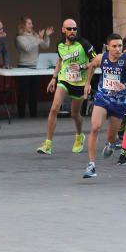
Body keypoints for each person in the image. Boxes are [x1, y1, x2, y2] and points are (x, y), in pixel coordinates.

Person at [80, 34, 126, 179]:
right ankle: (91, 165)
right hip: (102, 98)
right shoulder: (101, 57)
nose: (118, 49)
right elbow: (92, 67)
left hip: (119, 103)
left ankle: (111, 143)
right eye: (114, 46)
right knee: (94, 127)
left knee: (112, 137)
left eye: (120, 46)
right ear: (108, 47)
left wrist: (125, 85)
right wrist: (87, 83)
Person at [37, 19, 97, 155]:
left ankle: (79, 135)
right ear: (63, 30)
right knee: (54, 108)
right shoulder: (60, 45)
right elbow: (60, 60)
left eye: (75, 29)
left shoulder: (84, 44)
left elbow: (96, 61)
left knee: (75, 114)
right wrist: (54, 78)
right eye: (69, 29)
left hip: (80, 83)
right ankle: (47, 144)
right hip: (64, 80)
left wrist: (86, 78)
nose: (72, 31)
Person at [15, 17, 53, 118]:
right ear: (23, 25)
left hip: (36, 67)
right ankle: (21, 115)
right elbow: (27, 48)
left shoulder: (35, 35)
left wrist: (46, 37)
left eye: (32, 23)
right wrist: (38, 39)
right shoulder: (19, 37)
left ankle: (33, 115)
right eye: (29, 24)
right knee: (23, 93)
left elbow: (45, 46)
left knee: (34, 92)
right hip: (23, 66)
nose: (32, 26)